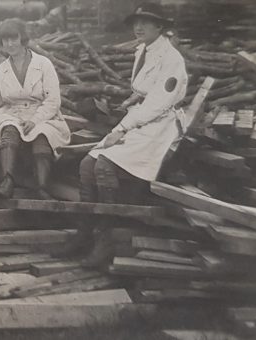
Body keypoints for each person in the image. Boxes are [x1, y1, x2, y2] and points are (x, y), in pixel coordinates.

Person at [67, 2, 188, 267]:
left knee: (104, 165)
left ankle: (107, 239)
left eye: (146, 22)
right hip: (142, 119)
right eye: (136, 21)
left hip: (160, 127)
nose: (138, 27)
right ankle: (85, 233)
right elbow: (146, 90)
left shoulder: (171, 59)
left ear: (160, 26)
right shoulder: (143, 50)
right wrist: (129, 101)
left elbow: (158, 103)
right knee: (87, 164)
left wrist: (120, 128)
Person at [0, 18, 70, 200]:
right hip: (14, 113)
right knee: (8, 129)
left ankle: (42, 187)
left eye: (14, 38)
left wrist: (35, 120)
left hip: (42, 114)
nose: (10, 44)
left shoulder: (43, 64)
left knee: (42, 134)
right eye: (5, 40)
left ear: (22, 38)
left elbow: (53, 100)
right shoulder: (0, 70)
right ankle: (7, 181)